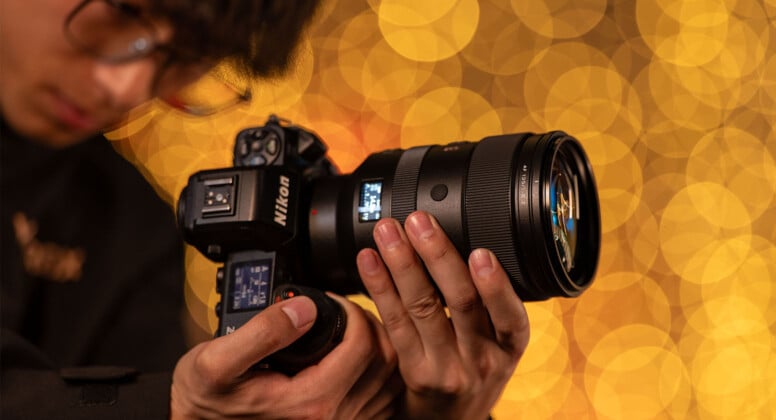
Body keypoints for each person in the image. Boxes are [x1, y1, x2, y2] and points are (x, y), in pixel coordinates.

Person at [0, 0, 530, 418]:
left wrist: (428, 414)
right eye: (123, 10)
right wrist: (170, 408)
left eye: (181, 58)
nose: (126, 86)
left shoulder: (131, 218)